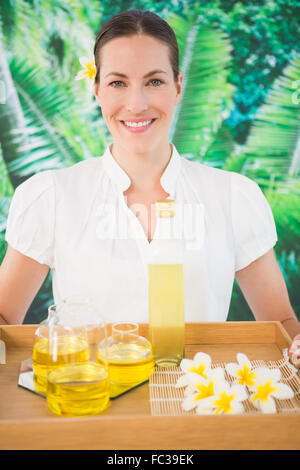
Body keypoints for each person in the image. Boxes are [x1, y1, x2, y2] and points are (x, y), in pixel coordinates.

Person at [0, 9, 299, 364]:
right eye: (118, 83)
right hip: (85, 404)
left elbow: (282, 325)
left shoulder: (233, 197)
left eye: (154, 81)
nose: (137, 104)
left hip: (199, 409)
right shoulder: (51, 196)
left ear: (178, 87)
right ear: (97, 90)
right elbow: (5, 319)